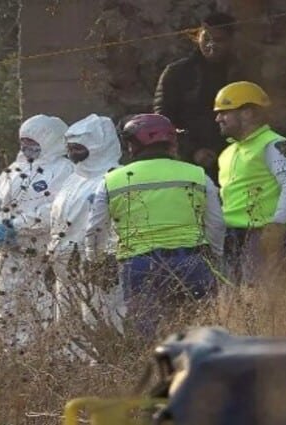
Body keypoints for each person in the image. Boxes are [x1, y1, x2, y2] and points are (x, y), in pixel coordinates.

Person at [85, 114, 224, 339]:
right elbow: (216, 223)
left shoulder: (112, 181)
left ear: (133, 145)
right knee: (201, 332)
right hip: (191, 262)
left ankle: (159, 371)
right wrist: (215, 254)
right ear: (171, 142)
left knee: (149, 336)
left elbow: (95, 229)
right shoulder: (197, 175)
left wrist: (96, 261)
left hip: (139, 266)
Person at [0, 114, 73, 349]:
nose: (27, 148)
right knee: (10, 303)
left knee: (51, 302)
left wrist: (17, 225)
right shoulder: (12, 171)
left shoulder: (65, 170)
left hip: (47, 248)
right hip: (10, 250)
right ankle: (20, 356)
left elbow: (59, 209)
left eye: (33, 142)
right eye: (24, 142)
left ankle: (56, 354)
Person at [46, 114, 123, 350]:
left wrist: (106, 258)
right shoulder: (73, 179)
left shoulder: (114, 177)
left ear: (99, 146)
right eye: (70, 148)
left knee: (103, 328)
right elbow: (59, 223)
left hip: (99, 270)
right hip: (66, 269)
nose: (72, 153)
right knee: (69, 335)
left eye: (78, 147)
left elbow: (120, 222)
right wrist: (52, 256)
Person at [215, 81, 286, 281]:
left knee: (259, 295)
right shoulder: (228, 152)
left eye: (224, 111)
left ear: (248, 113)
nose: (218, 118)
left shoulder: (276, 144)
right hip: (232, 236)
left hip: (262, 235)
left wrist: (278, 226)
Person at [153, 12, 250, 180]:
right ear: (198, 37)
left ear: (232, 41)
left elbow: (253, 117)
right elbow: (163, 120)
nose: (211, 45)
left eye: (219, 40)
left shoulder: (244, 73)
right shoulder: (177, 73)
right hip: (187, 161)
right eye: (206, 39)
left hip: (236, 158)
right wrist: (192, 150)